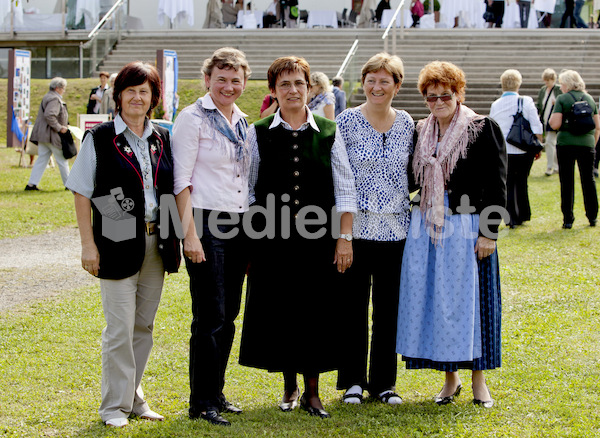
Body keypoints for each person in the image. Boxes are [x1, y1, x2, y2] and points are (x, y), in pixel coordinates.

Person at [239, 56, 357, 419]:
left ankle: (313, 392)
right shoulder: (257, 131)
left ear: (310, 88)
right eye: (285, 84)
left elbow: (345, 187)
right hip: (271, 241)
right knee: (280, 310)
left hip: (318, 239)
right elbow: (247, 189)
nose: (293, 90)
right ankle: (289, 386)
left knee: (315, 312)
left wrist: (344, 238)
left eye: (300, 84)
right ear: (273, 91)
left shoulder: (327, 130)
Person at [65, 61, 180, 427]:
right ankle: (113, 407)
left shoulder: (163, 137)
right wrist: (88, 245)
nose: (137, 97)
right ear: (118, 96)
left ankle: (134, 398)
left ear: (154, 99)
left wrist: (176, 239)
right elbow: (82, 192)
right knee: (119, 328)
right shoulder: (99, 138)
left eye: (144, 91)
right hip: (114, 241)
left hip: (156, 242)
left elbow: (171, 191)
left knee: (143, 327)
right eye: (130, 90)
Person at [396, 60, 507, 409]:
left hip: (466, 225)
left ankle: (479, 382)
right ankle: (450, 379)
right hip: (427, 225)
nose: (438, 102)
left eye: (445, 95)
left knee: (471, 305)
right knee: (437, 304)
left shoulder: (481, 127)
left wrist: (489, 233)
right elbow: (412, 179)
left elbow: (497, 184)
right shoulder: (420, 130)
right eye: (431, 97)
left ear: (458, 94)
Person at [172, 47, 251, 426]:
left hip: (238, 224)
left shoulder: (242, 120)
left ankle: (216, 392)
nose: (228, 85)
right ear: (207, 80)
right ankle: (200, 401)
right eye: (221, 78)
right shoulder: (192, 118)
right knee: (210, 315)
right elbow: (180, 182)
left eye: (236, 80)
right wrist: (190, 235)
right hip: (203, 222)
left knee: (230, 314)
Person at [335, 53, 413, 406]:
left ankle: (384, 383)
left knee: (388, 310)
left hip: (397, 232)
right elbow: (340, 179)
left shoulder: (408, 123)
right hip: (357, 231)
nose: (376, 86)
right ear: (363, 82)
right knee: (352, 308)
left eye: (385, 80)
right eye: (371, 79)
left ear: (397, 86)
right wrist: (344, 236)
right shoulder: (347, 121)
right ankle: (352, 381)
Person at [490, 69, 543, 228]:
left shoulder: (496, 104)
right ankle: (523, 214)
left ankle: (510, 217)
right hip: (523, 149)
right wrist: (538, 145)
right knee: (522, 181)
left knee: (507, 183)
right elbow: (536, 125)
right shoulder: (526, 101)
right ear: (518, 83)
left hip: (504, 150)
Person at [548, 69, 599, 228]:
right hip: (587, 144)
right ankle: (592, 216)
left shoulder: (562, 99)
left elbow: (554, 124)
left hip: (566, 145)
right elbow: (597, 126)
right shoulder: (589, 98)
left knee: (567, 181)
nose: (561, 87)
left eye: (562, 83)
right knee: (588, 180)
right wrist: (592, 143)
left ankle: (568, 219)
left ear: (567, 84)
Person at [25, 77, 70, 191]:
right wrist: (60, 128)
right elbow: (50, 115)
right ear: (57, 88)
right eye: (63, 88)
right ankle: (69, 184)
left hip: (43, 135)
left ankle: (31, 184)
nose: (64, 90)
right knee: (62, 160)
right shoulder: (54, 99)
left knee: (42, 160)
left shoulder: (48, 96)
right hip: (51, 135)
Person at [536, 68, 561, 176]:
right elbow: (539, 104)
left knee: (551, 142)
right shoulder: (543, 90)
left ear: (553, 79)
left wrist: (556, 103)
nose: (546, 82)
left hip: (556, 120)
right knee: (551, 143)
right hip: (545, 120)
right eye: (545, 80)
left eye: (548, 80)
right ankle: (554, 166)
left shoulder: (558, 90)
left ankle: (551, 166)